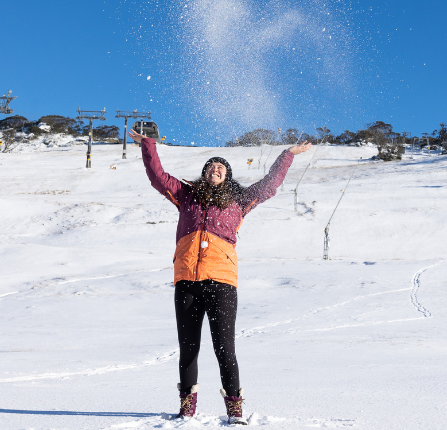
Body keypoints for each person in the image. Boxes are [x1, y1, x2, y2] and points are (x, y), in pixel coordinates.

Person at [130, 129, 312, 425]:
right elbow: (157, 176)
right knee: (188, 347)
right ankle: (187, 405)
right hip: (187, 279)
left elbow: (269, 185)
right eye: (211, 166)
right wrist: (148, 145)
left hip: (222, 281)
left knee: (224, 347)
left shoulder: (240, 200)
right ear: (204, 174)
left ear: (227, 176)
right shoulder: (185, 195)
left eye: (221, 167)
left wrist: (287, 154)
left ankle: (234, 406)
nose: (215, 168)